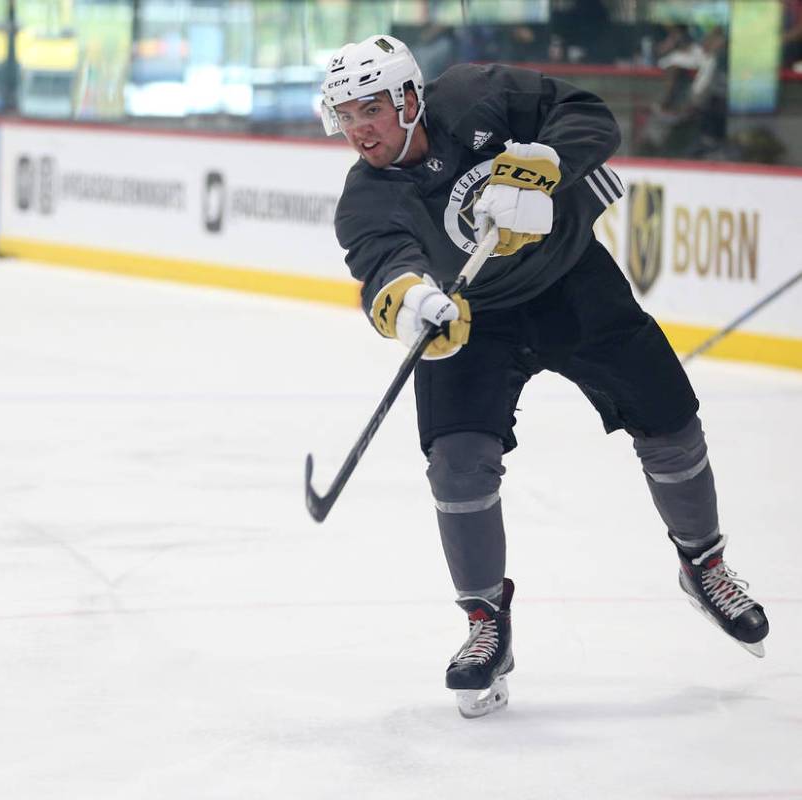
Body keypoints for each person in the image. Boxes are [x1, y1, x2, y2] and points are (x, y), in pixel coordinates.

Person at [320, 35, 769, 719]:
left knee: (668, 419)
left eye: (371, 108)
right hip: (472, 319)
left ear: (411, 97)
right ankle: (483, 625)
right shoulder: (365, 197)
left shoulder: (477, 93)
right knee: (456, 462)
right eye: (344, 113)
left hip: (570, 284)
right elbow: (382, 263)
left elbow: (588, 115)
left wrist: (542, 168)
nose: (358, 129)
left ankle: (702, 565)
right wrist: (412, 301)